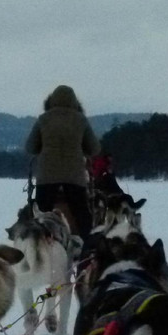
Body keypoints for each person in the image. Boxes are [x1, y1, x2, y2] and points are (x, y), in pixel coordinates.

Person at [25, 85, 100, 238]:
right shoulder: (81, 120)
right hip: (74, 176)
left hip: (47, 176)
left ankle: (38, 243)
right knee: (82, 214)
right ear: (75, 102)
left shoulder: (43, 119)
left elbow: (30, 147)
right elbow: (94, 149)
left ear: (51, 101)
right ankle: (89, 247)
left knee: (40, 214)